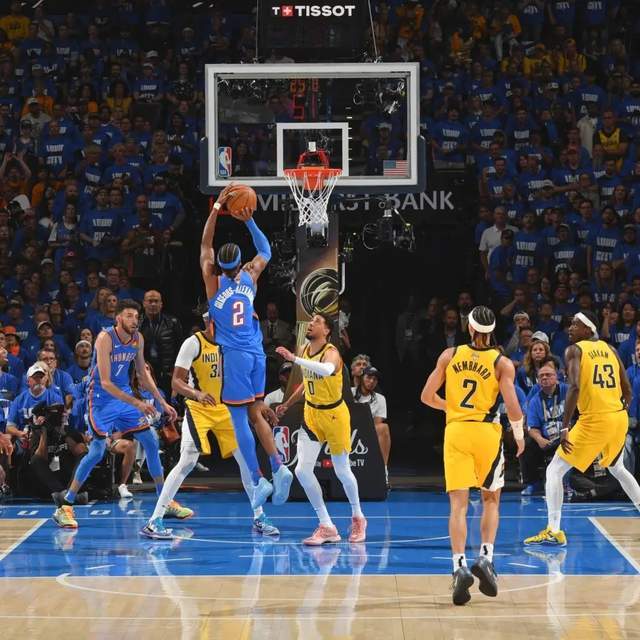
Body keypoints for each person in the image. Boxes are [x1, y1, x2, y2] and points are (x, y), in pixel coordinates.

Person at [141, 315, 281, 539]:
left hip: (226, 409)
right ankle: (154, 521)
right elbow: (176, 381)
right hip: (199, 409)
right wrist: (196, 393)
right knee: (187, 461)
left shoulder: (233, 344)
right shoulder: (193, 343)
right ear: (209, 322)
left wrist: (258, 404)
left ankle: (259, 516)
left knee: (246, 462)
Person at [51, 299, 187, 529]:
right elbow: (105, 382)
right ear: (119, 318)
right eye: (129, 316)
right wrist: (138, 403)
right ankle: (65, 506)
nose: (134, 320)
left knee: (151, 441)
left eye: (136, 316)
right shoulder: (105, 338)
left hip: (124, 396)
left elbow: (143, 375)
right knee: (96, 452)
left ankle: (164, 501)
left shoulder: (138, 339)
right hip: (101, 399)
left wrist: (162, 402)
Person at [421, 305, 524, 606]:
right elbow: (513, 406)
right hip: (486, 433)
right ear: (492, 331)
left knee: (458, 506)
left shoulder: (449, 355)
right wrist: (519, 436)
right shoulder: (502, 363)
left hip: (456, 432)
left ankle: (459, 567)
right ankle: (486, 558)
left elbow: (426, 396)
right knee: (491, 499)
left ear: (469, 327)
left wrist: (450, 407)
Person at [203, 189, 292, 508]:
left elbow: (205, 245)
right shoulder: (250, 276)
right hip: (258, 354)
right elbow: (265, 249)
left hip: (236, 357)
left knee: (238, 416)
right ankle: (278, 466)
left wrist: (217, 207)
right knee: (256, 411)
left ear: (219, 264)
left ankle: (257, 478)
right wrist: (249, 220)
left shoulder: (213, 282)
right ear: (239, 263)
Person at [524, 311, 640, 546]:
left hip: (594, 420)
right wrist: (618, 411)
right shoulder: (611, 349)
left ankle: (554, 530)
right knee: (617, 468)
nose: (570, 328)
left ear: (589, 329)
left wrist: (565, 426)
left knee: (554, 470)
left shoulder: (574, 350)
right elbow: (627, 388)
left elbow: (575, 387)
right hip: (618, 417)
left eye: (575, 324)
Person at [276, 313, 367, 545]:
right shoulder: (305, 349)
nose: (311, 324)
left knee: (342, 470)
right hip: (312, 414)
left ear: (327, 330)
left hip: (334, 415)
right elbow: (306, 383)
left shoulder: (331, 352)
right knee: (302, 471)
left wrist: (294, 359)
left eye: (317, 321)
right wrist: (288, 403)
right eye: (311, 321)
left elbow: (325, 370)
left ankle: (358, 517)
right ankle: (327, 526)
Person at [520, 358, 567, 495]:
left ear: (556, 377)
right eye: (541, 376)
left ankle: (570, 483)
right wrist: (540, 439)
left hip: (567, 435)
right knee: (526, 445)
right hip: (547, 439)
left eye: (548, 375)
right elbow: (532, 427)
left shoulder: (567, 390)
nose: (544, 378)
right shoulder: (535, 400)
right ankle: (533, 484)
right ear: (538, 380)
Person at [351, 366, 391, 488]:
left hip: (368, 431)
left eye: (375, 379)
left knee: (383, 428)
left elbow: (377, 422)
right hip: (348, 430)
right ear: (362, 378)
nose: (372, 381)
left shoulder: (380, 399)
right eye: (368, 377)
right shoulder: (349, 392)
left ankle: (383, 471)